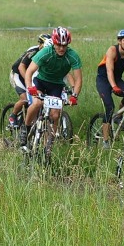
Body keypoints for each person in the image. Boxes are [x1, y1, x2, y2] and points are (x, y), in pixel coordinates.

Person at [19, 26, 83, 159]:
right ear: (54, 42)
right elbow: (29, 72)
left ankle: (49, 143)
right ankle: (25, 129)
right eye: (58, 45)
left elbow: (78, 80)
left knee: (55, 114)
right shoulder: (45, 53)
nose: (61, 48)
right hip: (41, 81)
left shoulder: (73, 56)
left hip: (56, 85)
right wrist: (30, 87)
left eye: (64, 45)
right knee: (36, 104)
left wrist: (74, 96)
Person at [7, 33, 51, 129]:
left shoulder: (49, 54)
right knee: (25, 99)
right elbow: (21, 67)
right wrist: (29, 82)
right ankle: (13, 116)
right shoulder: (33, 51)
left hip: (31, 76)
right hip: (18, 74)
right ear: (40, 45)